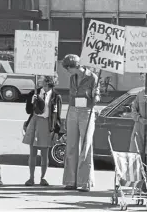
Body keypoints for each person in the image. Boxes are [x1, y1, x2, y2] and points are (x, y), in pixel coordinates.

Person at [62, 54, 100, 192]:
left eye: (68, 68)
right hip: (73, 110)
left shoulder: (93, 77)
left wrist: (95, 95)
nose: (68, 71)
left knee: (86, 145)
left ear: (75, 66)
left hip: (86, 111)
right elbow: (72, 96)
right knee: (71, 145)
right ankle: (71, 180)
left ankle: (85, 182)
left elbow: (98, 93)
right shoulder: (73, 78)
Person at [22, 75, 63, 186]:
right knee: (33, 152)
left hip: (47, 124)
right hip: (35, 121)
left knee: (45, 154)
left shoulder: (56, 96)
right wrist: (32, 101)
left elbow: (57, 115)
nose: (40, 81)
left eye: (43, 80)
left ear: (48, 83)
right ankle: (31, 178)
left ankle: (43, 178)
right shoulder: (33, 93)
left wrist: (56, 131)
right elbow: (28, 110)